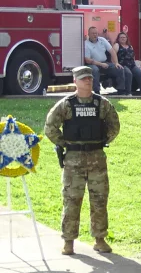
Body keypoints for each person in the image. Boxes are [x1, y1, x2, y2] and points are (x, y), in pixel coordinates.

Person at [44, 66, 121, 255]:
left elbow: (114, 125)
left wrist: (103, 140)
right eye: (84, 78)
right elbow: (50, 127)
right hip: (73, 160)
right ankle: (68, 242)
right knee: (71, 200)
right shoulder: (66, 105)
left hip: (97, 158)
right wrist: (66, 144)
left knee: (99, 199)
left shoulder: (101, 104)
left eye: (90, 78)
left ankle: (100, 239)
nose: (88, 81)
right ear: (75, 81)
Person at [83, 25, 130, 95]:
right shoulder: (86, 44)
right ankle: (97, 91)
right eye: (93, 33)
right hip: (93, 64)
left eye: (96, 33)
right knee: (95, 70)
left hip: (104, 62)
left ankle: (121, 90)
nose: (95, 35)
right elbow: (87, 60)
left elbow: (112, 51)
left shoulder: (102, 40)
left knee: (120, 68)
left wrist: (116, 63)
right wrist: (101, 64)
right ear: (88, 34)